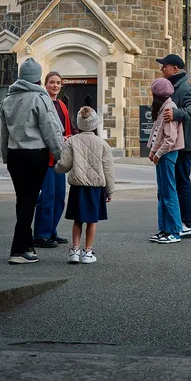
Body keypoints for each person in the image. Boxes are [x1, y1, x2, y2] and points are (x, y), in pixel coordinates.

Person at [0, 58, 65, 264]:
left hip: (14, 155)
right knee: (29, 201)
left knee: (23, 200)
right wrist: (62, 155)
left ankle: (27, 246)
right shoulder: (40, 98)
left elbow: (3, 133)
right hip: (35, 154)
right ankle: (18, 251)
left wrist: (5, 156)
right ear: (38, 78)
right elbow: (51, 130)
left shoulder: (8, 99)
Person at [54, 106, 115, 264]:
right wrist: (109, 191)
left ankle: (74, 250)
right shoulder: (102, 144)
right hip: (95, 188)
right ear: (95, 123)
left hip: (78, 185)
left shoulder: (72, 141)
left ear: (79, 123)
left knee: (78, 220)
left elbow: (64, 165)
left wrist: (56, 166)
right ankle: (87, 252)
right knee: (92, 221)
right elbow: (108, 169)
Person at [157, 54, 191, 239]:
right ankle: (175, 223)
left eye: (164, 66)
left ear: (175, 68)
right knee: (173, 185)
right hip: (176, 145)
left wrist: (176, 113)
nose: (162, 70)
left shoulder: (186, 88)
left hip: (186, 146)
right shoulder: (174, 87)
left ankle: (187, 223)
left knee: (182, 184)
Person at [32, 71, 73, 248]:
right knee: (47, 197)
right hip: (45, 158)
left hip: (60, 158)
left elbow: (68, 130)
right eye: (51, 82)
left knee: (59, 198)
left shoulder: (63, 106)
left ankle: (51, 231)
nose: (55, 85)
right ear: (45, 85)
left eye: (58, 82)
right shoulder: (41, 103)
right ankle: (41, 235)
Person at [146, 77, 185, 244]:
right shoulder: (165, 108)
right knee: (162, 193)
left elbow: (170, 139)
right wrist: (153, 150)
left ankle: (174, 231)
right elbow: (158, 133)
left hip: (167, 155)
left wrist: (158, 153)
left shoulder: (169, 109)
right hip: (163, 154)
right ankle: (164, 230)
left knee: (169, 193)